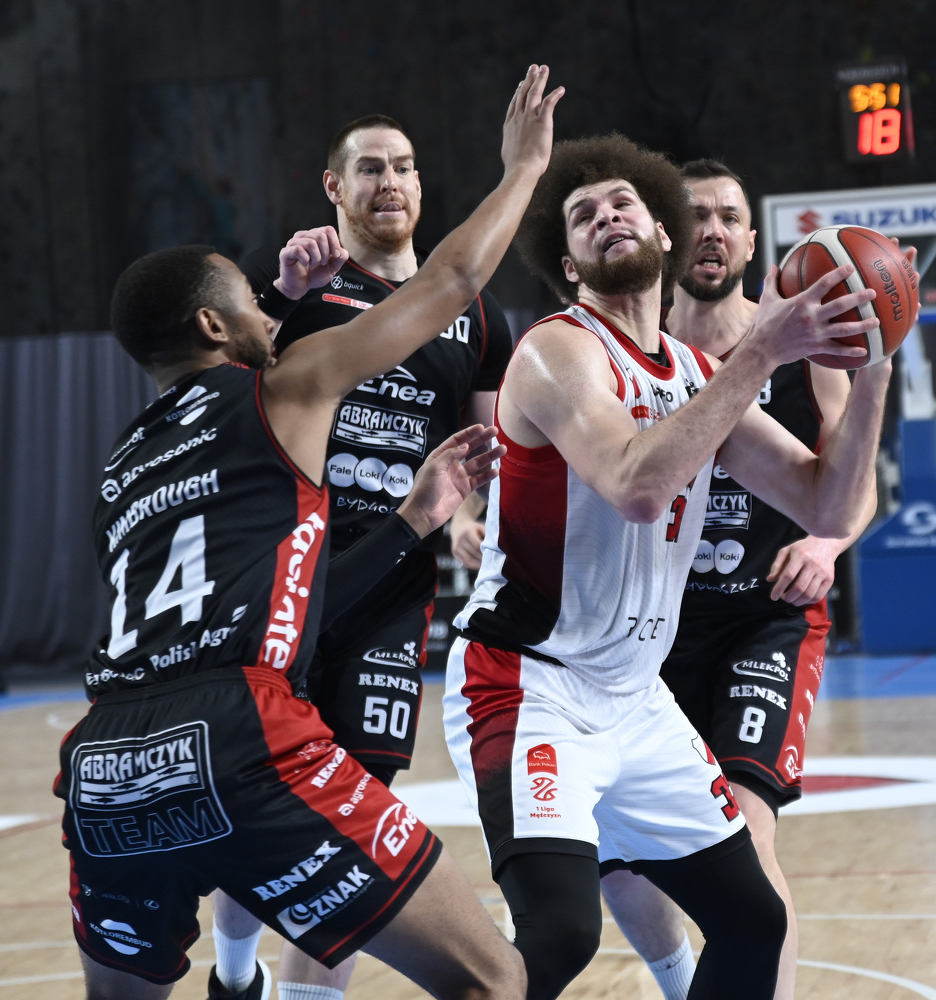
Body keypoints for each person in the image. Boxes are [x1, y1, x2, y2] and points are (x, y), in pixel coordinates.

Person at [53, 64, 561, 1000]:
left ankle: (240, 977)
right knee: (495, 981)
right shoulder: (283, 386)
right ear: (215, 325)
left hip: (104, 757)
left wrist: (419, 517)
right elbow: (453, 278)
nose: (268, 310)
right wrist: (524, 169)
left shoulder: (120, 467)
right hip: (240, 724)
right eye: (251, 304)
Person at [442, 134, 899, 1000]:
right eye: (581, 215)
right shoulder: (555, 350)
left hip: (634, 697)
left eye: (622, 202)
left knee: (754, 921)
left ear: (663, 235)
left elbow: (828, 509)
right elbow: (638, 487)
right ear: (570, 267)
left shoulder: (693, 370)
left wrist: (873, 365)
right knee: (564, 933)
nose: (604, 215)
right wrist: (761, 353)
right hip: (528, 685)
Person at [224, 112, 514, 1000]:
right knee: (257, 793)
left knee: (356, 804)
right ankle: (233, 975)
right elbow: (218, 406)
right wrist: (280, 295)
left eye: (404, 166)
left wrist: (469, 522)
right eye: (370, 167)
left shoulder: (477, 313)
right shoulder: (293, 282)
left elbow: (482, 448)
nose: (390, 181)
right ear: (334, 188)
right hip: (286, 572)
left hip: (392, 577)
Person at [599, 159, 886, 1000]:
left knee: (746, 833)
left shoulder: (805, 345)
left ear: (753, 242)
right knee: (620, 861)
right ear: (664, 236)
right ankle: (680, 981)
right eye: (697, 216)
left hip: (766, 618)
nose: (713, 231)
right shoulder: (631, 353)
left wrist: (827, 544)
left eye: (729, 217)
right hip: (650, 628)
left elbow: (853, 481)